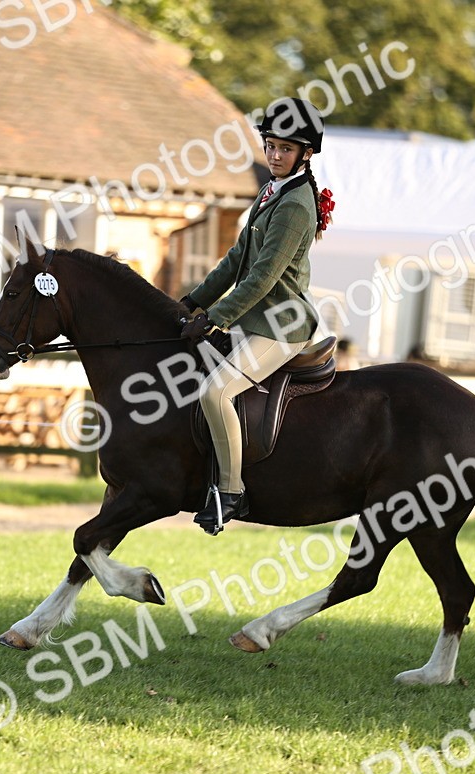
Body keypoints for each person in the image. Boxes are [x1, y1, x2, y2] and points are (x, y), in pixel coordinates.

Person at [178, 97, 335, 534]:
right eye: (270, 145)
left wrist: (217, 317)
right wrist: (193, 301)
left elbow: (263, 277)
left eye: (286, 148)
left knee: (215, 393)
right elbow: (235, 260)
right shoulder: (271, 191)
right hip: (255, 318)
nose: (275, 155)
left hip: (280, 325)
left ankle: (230, 491)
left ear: (305, 154)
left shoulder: (296, 204)